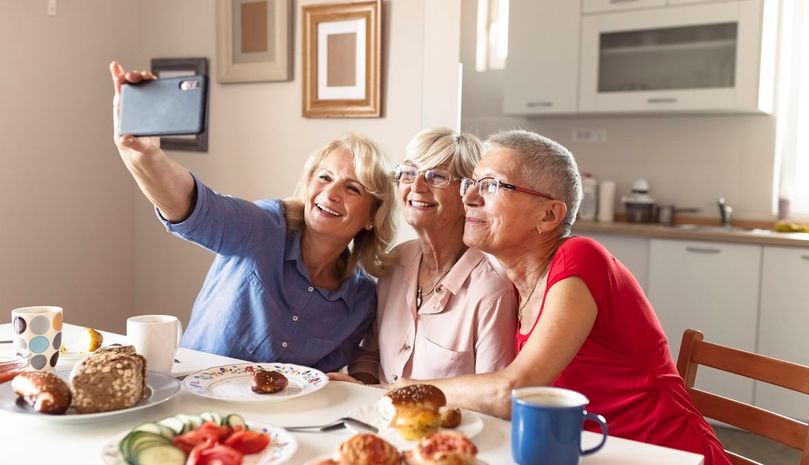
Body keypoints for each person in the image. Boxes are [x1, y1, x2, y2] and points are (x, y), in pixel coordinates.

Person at [381, 130, 730, 464]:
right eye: (472, 183)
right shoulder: (514, 286)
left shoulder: (581, 258)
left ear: (548, 215)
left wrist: (403, 388)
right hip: (589, 452)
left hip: (665, 454)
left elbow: (512, 392)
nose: (469, 197)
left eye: (490, 185)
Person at [109, 62, 397, 372]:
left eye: (352, 188)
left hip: (278, 418)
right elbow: (193, 208)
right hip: (195, 398)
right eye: (325, 177)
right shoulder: (263, 226)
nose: (331, 193)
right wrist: (147, 158)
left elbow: (330, 378)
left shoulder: (361, 299)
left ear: (372, 216)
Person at [346, 128, 517, 384]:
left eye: (437, 176)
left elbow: (491, 399)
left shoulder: (491, 290)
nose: (416, 186)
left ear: (469, 192)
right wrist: (362, 392)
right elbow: (370, 357)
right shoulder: (396, 262)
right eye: (409, 173)